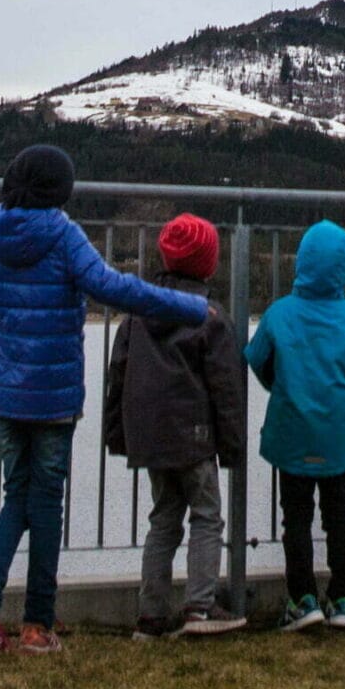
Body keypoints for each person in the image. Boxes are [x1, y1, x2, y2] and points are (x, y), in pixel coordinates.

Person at [0, 144, 209, 655]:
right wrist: (192, 307)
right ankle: (36, 626)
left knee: (16, 499)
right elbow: (112, 287)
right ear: (59, 189)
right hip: (54, 399)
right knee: (45, 502)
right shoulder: (63, 233)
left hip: (8, 396)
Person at [105, 212, 248, 639]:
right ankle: (199, 610)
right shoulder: (210, 315)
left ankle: (150, 616)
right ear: (208, 264)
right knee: (206, 516)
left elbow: (119, 373)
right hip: (196, 437)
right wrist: (233, 446)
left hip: (151, 437)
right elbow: (225, 386)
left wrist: (120, 435)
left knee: (163, 519)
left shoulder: (136, 313)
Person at [246, 219, 345, 632]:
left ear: (301, 261)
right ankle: (342, 599)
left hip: (292, 433)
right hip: (338, 436)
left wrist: (287, 388)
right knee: (339, 513)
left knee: (296, 517)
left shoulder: (278, 314)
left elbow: (259, 363)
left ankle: (302, 599)